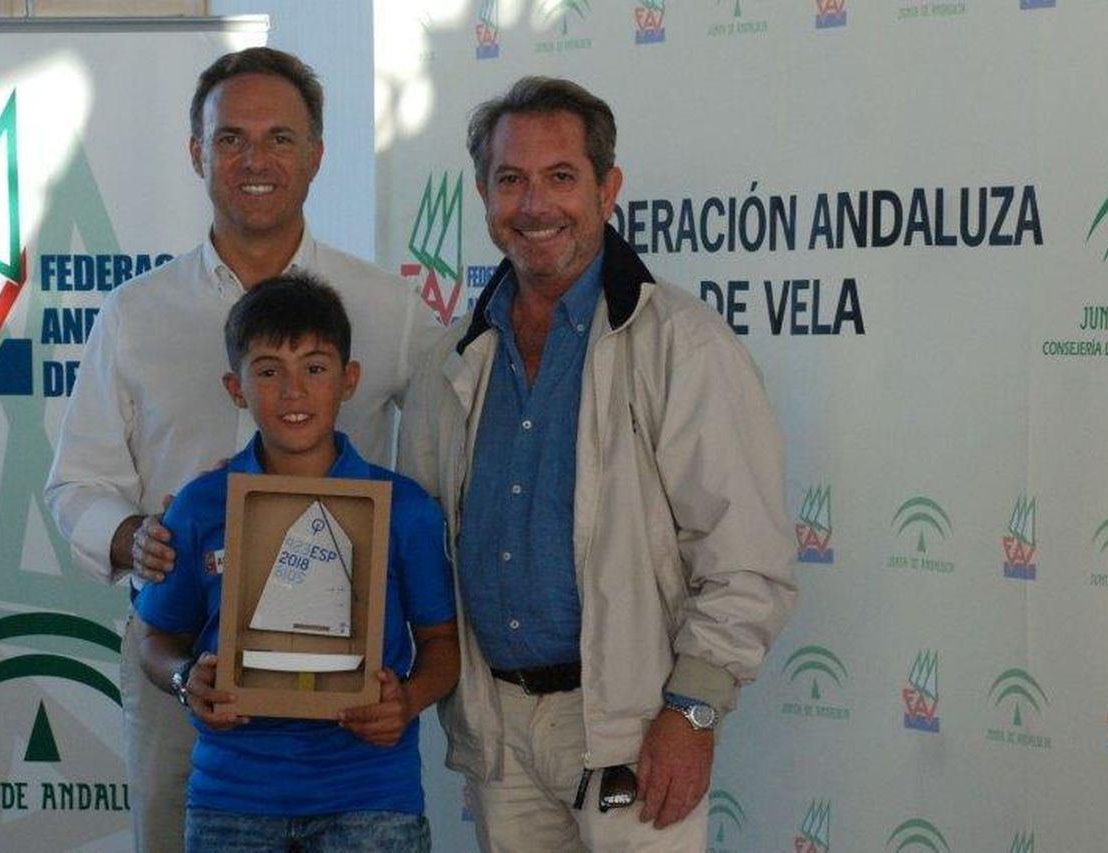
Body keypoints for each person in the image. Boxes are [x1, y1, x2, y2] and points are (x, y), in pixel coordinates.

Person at [44, 47, 434, 853]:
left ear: (317, 155)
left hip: (346, 693)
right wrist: (133, 538)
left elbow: (437, 463)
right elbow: (77, 482)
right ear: (197, 153)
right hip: (185, 660)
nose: (255, 159)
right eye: (231, 139)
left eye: (281, 138)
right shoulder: (134, 313)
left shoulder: (388, 309)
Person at [398, 76, 798, 852]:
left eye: (560, 177)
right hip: (498, 730)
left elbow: (746, 557)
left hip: (635, 724)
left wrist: (694, 711)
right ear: (483, 196)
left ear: (607, 189)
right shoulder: (450, 361)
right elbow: (418, 543)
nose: (535, 205)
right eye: (510, 180)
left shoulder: (682, 344)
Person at [135, 275, 458, 852]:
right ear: (236, 388)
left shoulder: (402, 508)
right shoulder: (201, 505)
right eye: (268, 371)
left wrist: (406, 701)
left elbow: (443, 644)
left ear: (349, 380)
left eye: (314, 367)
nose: (292, 392)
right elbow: (156, 639)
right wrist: (188, 680)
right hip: (232, 796)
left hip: (369, 797)